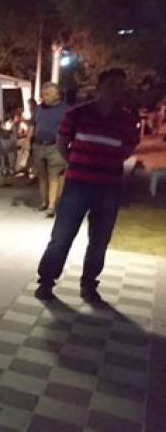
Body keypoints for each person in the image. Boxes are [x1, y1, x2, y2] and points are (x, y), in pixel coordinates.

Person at [35, 69, 140, 303]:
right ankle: (46, 281)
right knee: (62, 236)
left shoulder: (126, 119)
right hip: (78, 184)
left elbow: (129, 148)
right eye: (112, 83)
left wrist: (107, 161)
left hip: (109, 187)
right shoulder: (78, 113)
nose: (117, 89)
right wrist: (76, 162)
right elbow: (62, 142)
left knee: (100, 239)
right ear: (99, 86)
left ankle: (89, 284)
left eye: (121, 85)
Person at [32, 82, 69, 217]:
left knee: (54, 175)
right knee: (42, 175)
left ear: (56, 95)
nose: (44, 97)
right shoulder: (39, 109)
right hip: (38, 145)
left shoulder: (65, 110)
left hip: (55, 146)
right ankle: (44, 202)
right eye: (43, 94)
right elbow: (32, 125)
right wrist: (27, 143)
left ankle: (51, 206)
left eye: (47, 94)